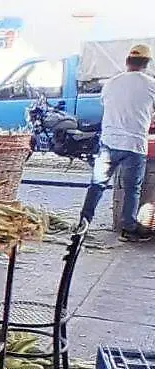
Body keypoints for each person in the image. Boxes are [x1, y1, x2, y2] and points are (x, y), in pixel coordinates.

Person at [80, 44, 155, 242]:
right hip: (134, 144)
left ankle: (83, 223)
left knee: (97, 185)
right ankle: (128, 228)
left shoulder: (111, 83)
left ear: (127, 61)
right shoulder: (151, 84)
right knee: (132, 189)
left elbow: (108, 105)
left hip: (109, 142)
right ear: (146, 63)